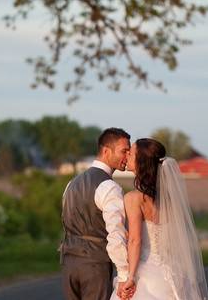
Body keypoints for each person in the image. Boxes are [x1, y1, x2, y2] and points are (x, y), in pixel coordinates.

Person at [111, 138, 208, 300]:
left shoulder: (134, 198)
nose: (127, 154)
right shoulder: (168, 200)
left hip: (146, 273)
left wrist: (131, 278)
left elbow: (135, 240)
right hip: (172, 271)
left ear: (141, 162)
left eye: (132, 152)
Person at [60, 128, 136, 300]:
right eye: (124, 151)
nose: (127, 156)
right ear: (106, 151)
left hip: (68, 264)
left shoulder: (71, 183)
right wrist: (124, 275)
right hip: (95, 265)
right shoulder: (110, 187)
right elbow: (116, 234)